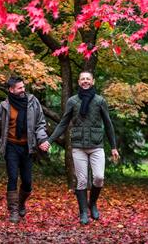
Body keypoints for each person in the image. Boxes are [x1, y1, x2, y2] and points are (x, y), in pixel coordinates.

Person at [48, 71, 120, 225]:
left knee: (99, 178)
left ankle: (92, 203)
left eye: (88, 79)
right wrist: (50, 140)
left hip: (96, 146)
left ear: (93, 81)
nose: (85, 81)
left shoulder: (100, 101)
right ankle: (83, 213)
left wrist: (113, 147)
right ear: (79, 82)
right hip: (78, 146)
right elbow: (63, 123)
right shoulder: (72, 101)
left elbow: (108, 124)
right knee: (81, 181)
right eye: (83, 79)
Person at [0, 76, 50, 223]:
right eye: (20, 88)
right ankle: (13, 211)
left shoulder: (33, 102)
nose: (23, 90)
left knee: (27, 182)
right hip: (11, 147)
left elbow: (40, 124)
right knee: (13, 178)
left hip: (28, 147)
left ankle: (21, 203)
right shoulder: (3, 107)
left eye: (23, 87)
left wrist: (42, 139)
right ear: (11, 90)